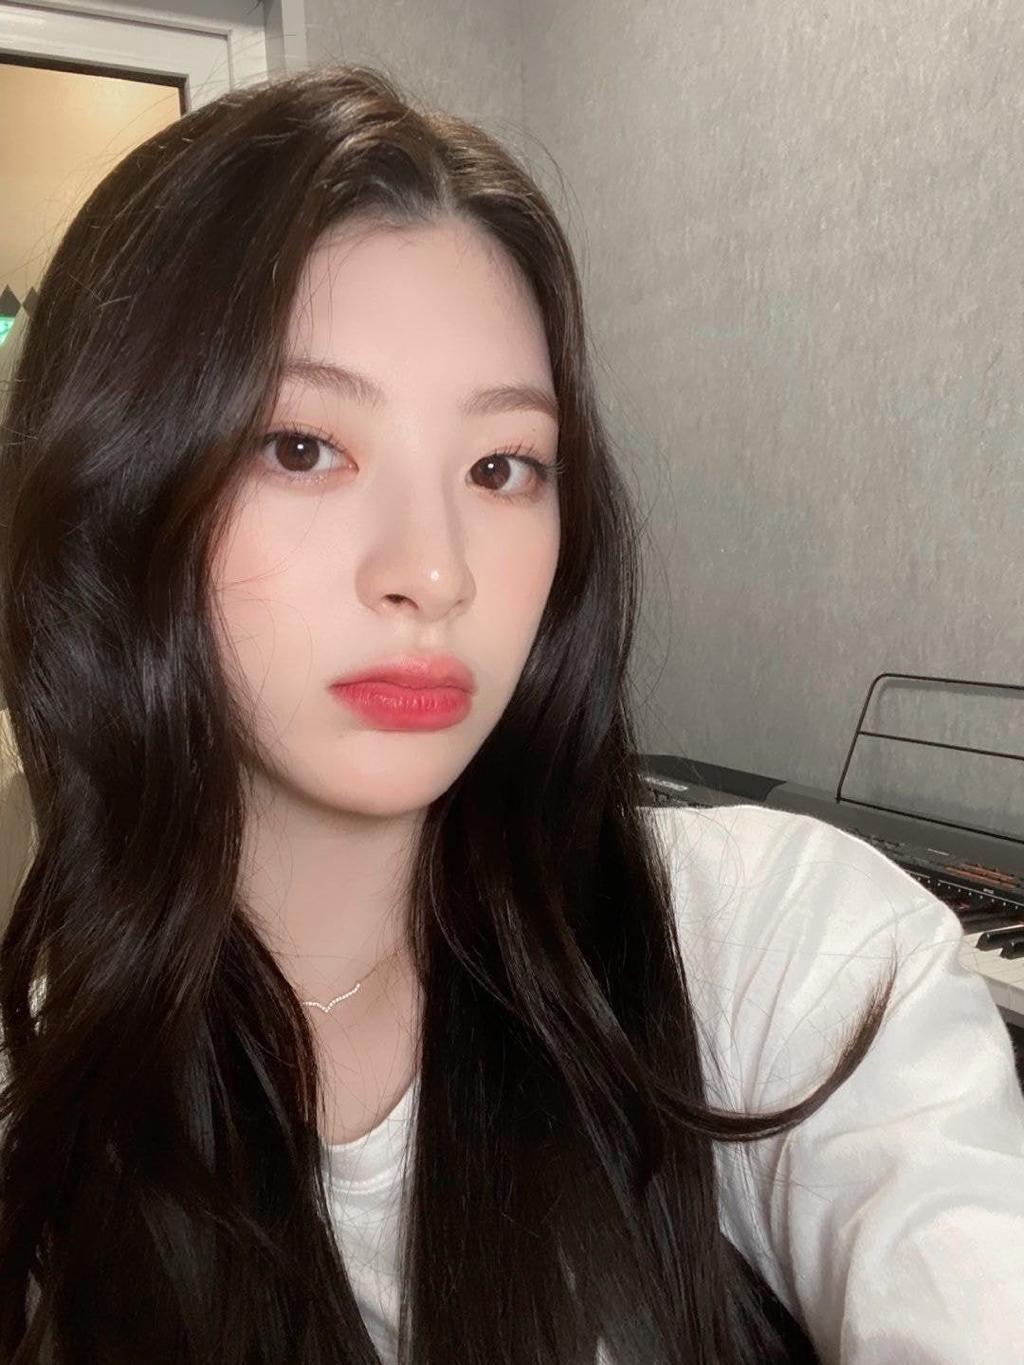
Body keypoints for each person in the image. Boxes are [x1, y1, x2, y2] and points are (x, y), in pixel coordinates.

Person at [0, 64, 1020, 1365]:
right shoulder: (41, 1109)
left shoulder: (779, 951)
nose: (434, 572)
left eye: (501, 466)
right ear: (116, 494)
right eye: (302, 447)